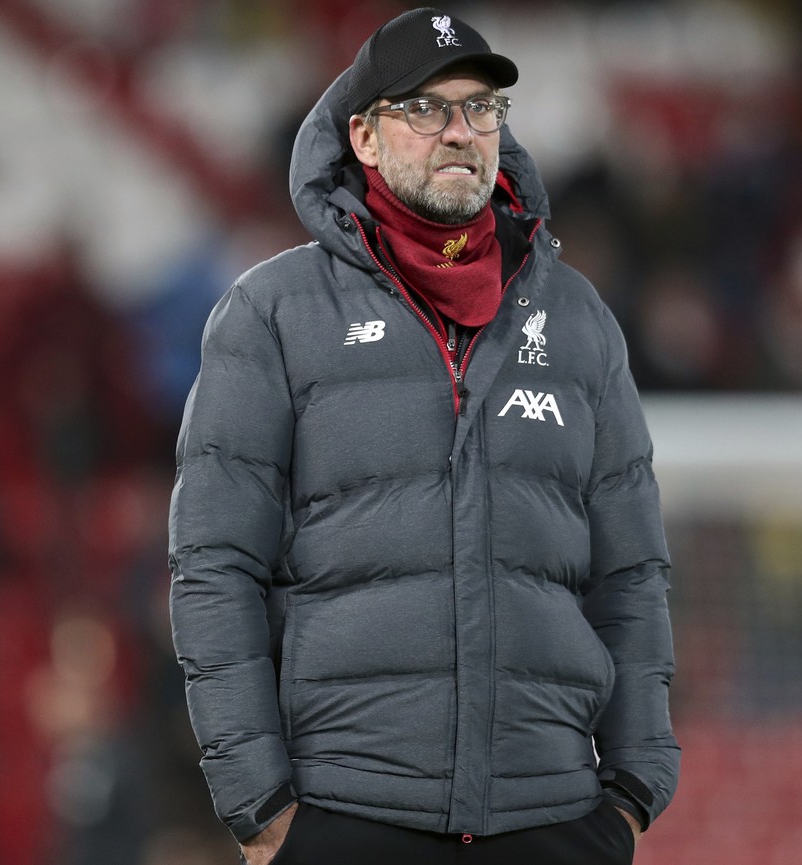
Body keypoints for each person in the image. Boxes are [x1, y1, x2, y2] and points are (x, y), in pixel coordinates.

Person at [166, 8, 679, 864]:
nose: (459, 131)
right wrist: (262, 807)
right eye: (426, 109)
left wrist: (631, 790)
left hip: (553, 816)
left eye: (480, 108)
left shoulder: (577, 317)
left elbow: (631, 573)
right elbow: (215, 567)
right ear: (363, 136)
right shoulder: (273, 314)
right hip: (346, 814)